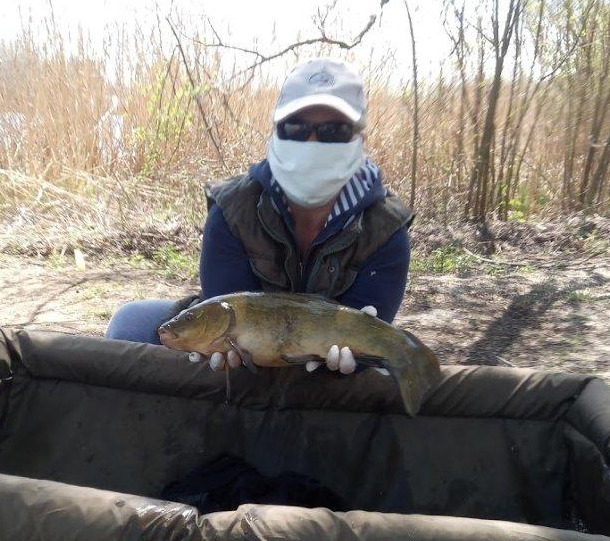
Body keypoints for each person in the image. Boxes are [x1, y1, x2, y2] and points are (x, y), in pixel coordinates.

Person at [105, 58, 413, 375]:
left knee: (389, 368)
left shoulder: (387, 228)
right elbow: (226, 304)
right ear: (275, 132)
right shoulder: (232, 208)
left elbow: (369, 331)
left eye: (334, 131)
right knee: (130, 323)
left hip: (334, 374)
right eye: (296, 128)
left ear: (360, 139)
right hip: (249, 361)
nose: (312, 143)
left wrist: (352, 363)